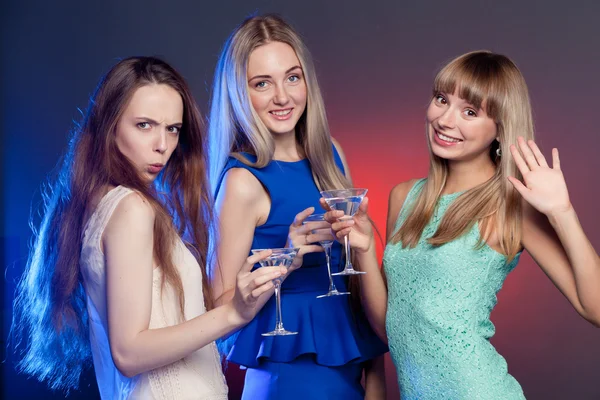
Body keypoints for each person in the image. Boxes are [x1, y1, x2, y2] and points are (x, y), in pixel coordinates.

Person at [325, 50, 600, 399]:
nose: (445, 119)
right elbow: (392, 328)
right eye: (441, 99)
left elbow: (596, 308)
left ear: (499, 129)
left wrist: (563, 212)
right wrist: (363, 251)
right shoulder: (405, 196)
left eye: (470, 112)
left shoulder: (511, 206)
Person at [12, 56, 286, 399]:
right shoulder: (131, 208)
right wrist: (233, 313)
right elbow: (129, 352)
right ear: (110, 125)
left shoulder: (103, 204)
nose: (162, 145)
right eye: (144, 125)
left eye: (172, 128)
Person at [208, 14, 387, 400]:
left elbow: (354, 278)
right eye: (262, 84)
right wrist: (283, 262)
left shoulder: (331, 155)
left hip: (350, 375)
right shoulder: (243, 181)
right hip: (287, 382)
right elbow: (220, 311)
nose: (283, 97)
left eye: (292, 77)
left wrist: (376, 375)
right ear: (239, 93)